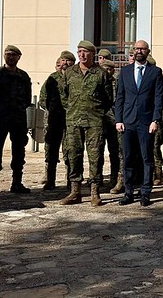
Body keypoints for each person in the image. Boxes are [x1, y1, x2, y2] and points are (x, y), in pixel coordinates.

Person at [61, 41, 115, 206]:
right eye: (79, 52)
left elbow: (108, 98)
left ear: (92, 54)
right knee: (73, 155)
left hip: (94, 122)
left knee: (95, 156)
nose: (82, 55)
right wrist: (73, 110)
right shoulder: (69, 72)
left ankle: (94, 192)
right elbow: (64, 96)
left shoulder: (101, 73)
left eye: (85, 52)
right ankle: (75, 191)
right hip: (74, 121)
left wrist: (96, 111)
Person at [115, 40, 163, 207]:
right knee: (128, 158)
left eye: (142, 49)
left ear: (147, 51)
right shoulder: (125, 71)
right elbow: (120, 97)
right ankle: (128, 192)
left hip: (146, 122)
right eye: (136, 49)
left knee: (146, 158)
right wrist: (118, 119)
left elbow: (158, 98)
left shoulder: (155, 72)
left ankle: (145, 192)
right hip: (128, 121)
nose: (139, 51)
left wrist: (155, 120)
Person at [0, 45, 32, 195]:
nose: (10, 57)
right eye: (7, 54)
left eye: (13, 55)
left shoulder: (23, 76)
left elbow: (27, 98)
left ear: (18, 57)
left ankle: (17, 183)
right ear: (4, 56)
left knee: (19, 151)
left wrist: (18, 109)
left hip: (18, 119)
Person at [39, 51, 74, 190]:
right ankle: (50, 180)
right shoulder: (52, 78)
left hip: (70, 120)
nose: (65, 63)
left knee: (70, 150)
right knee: (51, 150)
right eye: (63, 60)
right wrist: (52, 109)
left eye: (68, 61)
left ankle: (70, 180)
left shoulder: (75, 77)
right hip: (54, 120)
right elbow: (43, 98)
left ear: (73, 63)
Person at [97, 58, 121, 191]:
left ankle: (114, 177)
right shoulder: (97, 81)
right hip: (99, 121)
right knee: (97, 151)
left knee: (114, 151)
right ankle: (97, 178)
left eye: (109, 69)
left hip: (113, 122)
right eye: (105, 69)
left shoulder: (117, 83)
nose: (107, 72)